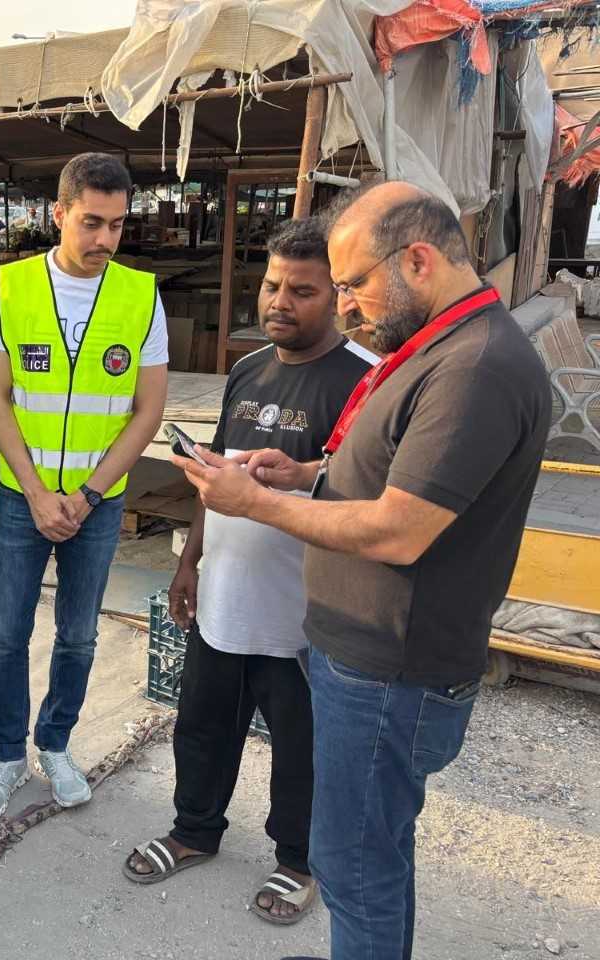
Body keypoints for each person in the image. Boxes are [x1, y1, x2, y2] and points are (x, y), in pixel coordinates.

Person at [170, 183, 550, 960]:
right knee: (365, 855)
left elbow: (399, 531)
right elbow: (390, 478)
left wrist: (255, 502)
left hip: (391, 671)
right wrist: (306, 475)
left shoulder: (474, 366)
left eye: (351, 284)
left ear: (418, 261)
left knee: (354, 867)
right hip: (370, 659)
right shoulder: (439, 349)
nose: (346, 306)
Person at [121, 218, 375, 925]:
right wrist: (190, 562)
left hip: (305, 615)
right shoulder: (247, 370)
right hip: (226, 599)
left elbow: (371, 495)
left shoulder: (365, 381)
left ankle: (300, 859)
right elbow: (215, 480)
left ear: (338, 297)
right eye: (271, 285)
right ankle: (194, 830)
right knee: (202, 725)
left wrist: (304, 476)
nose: (279, 302)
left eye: (302, 291)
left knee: (302, 748)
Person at [0, 152, 169, 819]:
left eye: (117, 225)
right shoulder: (12, 287)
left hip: (97, 505)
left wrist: (86, 497)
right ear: (58, 214)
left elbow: (147, 411)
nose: (105, 239)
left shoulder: (140, 295)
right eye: (91, 222)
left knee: (79, 635)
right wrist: (33, 493)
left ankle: (54, 744)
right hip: (21, 501)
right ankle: (6, 755)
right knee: (5, 635)